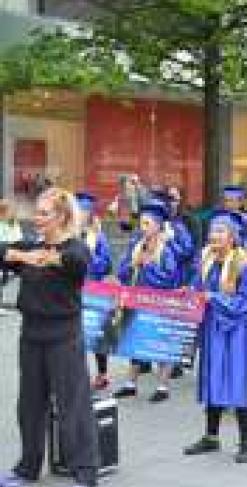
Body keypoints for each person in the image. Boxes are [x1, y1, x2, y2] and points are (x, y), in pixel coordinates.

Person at [0, 187, 100, 487]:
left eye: (44, 214)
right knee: (29, 405)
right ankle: (27, 468)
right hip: (31, 334)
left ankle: (85, 471)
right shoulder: (30, 245)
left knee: (73, 405)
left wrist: (41, 257)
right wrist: (21, 254)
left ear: (62, 217)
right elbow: (4, 252)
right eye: (37, 212)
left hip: (64, 337)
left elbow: (76, 262)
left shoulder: (75, 247)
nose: (36, 218)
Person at [183, 210, 247, 464]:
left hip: (235, 332)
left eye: (220, 231)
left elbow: (244, 303)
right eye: (213, 231)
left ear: (233, 237)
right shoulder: (206, 260)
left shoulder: (243, 265)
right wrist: (188, 291)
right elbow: (198, 287)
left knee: (236, 380)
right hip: (212, 329)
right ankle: (211, 437)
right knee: (212, 378)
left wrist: (212, 298)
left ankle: (246, 442)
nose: (214, 236)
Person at [113, 203, 179, 402]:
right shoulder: (136, 246)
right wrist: (134, 264)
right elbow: (122, 273)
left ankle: (162, 386)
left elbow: (170, 279)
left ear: (158, 226)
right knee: (135, 341)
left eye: (147, 223)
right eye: (141, 223)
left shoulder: (167, 250)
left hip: (158, 304)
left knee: (160, 343)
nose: (143, 227)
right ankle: (130, 384)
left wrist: (148, 266)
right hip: (137, 301)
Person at [73, 193, 115, 391]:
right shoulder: (68, 234)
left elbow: (106, 265)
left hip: (93, 290)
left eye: (85, 211)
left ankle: (102, 373)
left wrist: (89, 254)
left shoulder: (97, 236)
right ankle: (77, 375)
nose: (81, 214)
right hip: (71, 290)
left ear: (90, 214)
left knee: (97, 333)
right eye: (79, 210)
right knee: (74, 334)